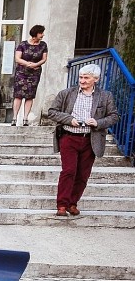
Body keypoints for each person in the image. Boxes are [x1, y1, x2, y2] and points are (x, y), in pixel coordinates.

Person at [47, 63, 119, 217]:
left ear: (96, 79)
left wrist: (98, 123)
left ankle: (73, 203)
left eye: (86, 78)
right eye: (81, 77)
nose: (82, 80)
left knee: (83, 174)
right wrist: (69, 119)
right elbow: (52, 112)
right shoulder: (66, 93)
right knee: (69, 171)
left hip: (90, 140)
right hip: (69, 137)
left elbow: (114, 116)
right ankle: (61, 204)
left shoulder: (105, 96)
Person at [12, 25, 48, 126]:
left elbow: (44, 59)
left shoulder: (43, 45)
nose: (43, 35)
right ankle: (14, 118)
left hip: (35, 73)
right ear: (35, 33)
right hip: (21, 73)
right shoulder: (23, 44)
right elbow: (17, 58)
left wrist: (36, 64)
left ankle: (25, 118)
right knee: (18, 95)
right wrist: (29, 64)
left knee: (30, 96)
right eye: (41, 33)